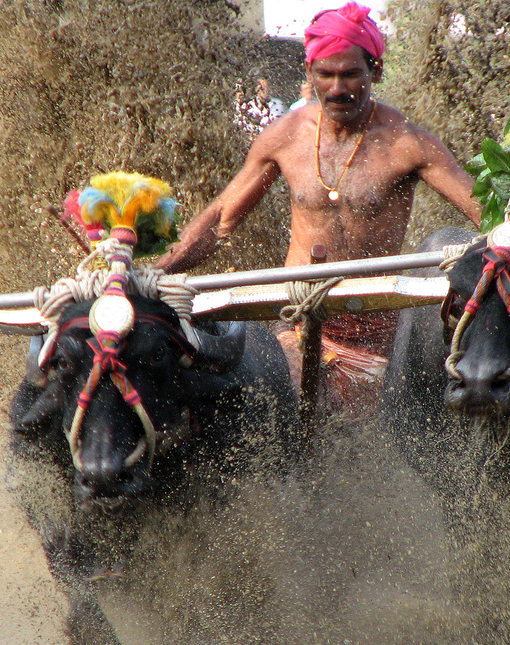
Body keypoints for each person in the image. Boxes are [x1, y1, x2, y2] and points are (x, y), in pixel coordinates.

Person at [156, 2, 481, 409]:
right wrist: (152, 271)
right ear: (310, 75)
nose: (337, 88)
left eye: (350, 74)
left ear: (375, 72)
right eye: (325, 74)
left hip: (377, 336)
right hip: (292, 324)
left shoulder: (407, 142)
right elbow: (221, 219)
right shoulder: (285, 135)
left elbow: (483, 210)